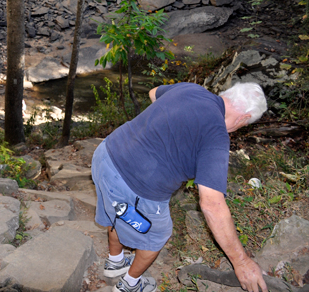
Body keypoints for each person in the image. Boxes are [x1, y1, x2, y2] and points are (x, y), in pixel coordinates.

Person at [92, 82, 268, 292]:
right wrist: (242, 263)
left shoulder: (191, 89)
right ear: (244, 118)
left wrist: (169, 128)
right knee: (157, 235)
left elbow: (152, 92)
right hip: (138, 183)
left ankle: (115, 262)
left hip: (107, 154)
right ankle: (129, 285)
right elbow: (212, 204)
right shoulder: (217, 135)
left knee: (118, 209)